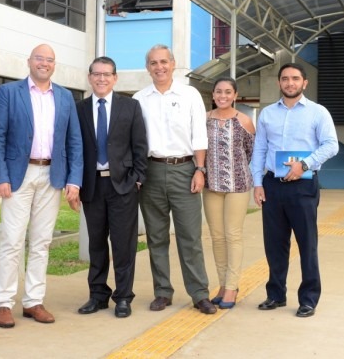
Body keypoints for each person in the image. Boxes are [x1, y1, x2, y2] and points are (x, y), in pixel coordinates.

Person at [0, 44, 83, 328]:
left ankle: (33, 301)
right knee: (12, 240)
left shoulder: (66, 97)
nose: (44, 63)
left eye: (49, 60)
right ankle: (3, 303)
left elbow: (74, 141)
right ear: (29, 61)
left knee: (42, 242)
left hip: (51, 176)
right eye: (39, 58)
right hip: (19, 174)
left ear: (54, 65)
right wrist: (1, 176)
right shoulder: (9, 92)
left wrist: (74, 179)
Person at [132, 45, 217, 315]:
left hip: (185, 170)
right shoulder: (138, 98)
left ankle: (199, 293)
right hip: (151, 171)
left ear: (173, 64)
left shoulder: (190, 94)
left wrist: (200, 170)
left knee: (189, 237)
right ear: (148, 67)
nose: (159, 67)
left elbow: (199, 136)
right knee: (156, 237)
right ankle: (162, 292)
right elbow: (134, 140)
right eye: (154, 63)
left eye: (164, 62)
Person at [250, 63, 338, 318]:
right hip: (272, 186)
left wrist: (305, 164)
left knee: (307, 244)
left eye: (295, 79)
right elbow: (259, 150)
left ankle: (309, 299)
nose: (290, 83)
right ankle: (275, 295)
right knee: (275, 244)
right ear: (279, 83)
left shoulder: (318, 113)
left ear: (304, 83)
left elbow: (331, 145)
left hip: (303, 186)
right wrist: (257, 183)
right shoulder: (267, 114)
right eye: (285, 79)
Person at [74, 57, 148, 318]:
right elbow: (75, 147)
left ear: (115, 78)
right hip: (92, 186)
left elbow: (140, 146)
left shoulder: (130, 106)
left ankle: (123, 297)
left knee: (123, 244)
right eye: (97, 74)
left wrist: (137, 178)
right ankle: (97, 295)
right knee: (96, 244)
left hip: (123, 186)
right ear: (89, 77)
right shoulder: (79, 109)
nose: (102, 79)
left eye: (107, 74)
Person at [203, 78, 255, 310]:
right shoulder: (204, 119)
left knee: (233, 235)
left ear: (235, 94)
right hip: (211, 185)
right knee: (217, 236)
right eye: (218, 92)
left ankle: (232, 287)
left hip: (238, 185)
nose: (222, 96)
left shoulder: (244, 121)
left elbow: (252, 152)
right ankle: (223, 285)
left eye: (227, 92)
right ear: (213, 95)